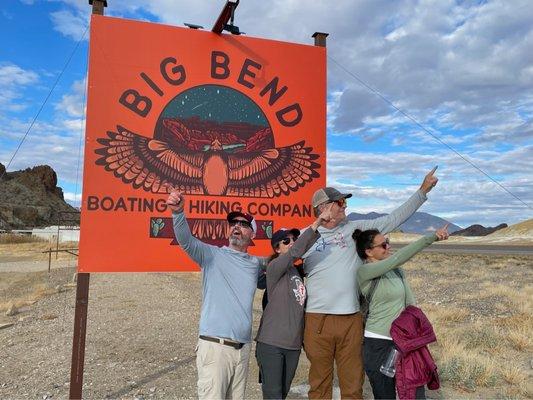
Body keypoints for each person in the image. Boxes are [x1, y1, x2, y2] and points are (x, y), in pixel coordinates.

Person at [301, 167, 439, 400]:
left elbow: (393, 219)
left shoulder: (356, 229)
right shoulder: (305, 237)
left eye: (345, 202)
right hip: (317, 320)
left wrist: (422, 192)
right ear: (324, 207)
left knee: (353, 385)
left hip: (351, 319)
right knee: (319, 385)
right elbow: (281, 261)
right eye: (340, 202)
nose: (345, 206)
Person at [166, 190, 265, 400]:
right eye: (233, 223)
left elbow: (284, 255)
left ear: (252, 234)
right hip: (215, 347)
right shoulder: (212, 255)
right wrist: (178, 213)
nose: (236, 226)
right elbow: (186, 241)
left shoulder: (256, 264)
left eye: (244, 224)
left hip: (243, 348)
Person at [354, 224, 449, 399]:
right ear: (368, 252)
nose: (388, 247)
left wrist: (418, 334)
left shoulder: (397, 271)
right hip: (378, 343)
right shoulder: (364, 272)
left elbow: (410, 305)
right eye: (383, 245)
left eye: (387, 242)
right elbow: (396, 259)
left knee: (415, 391)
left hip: (404, 342)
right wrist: (431, 238)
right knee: (385, 394)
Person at [255, 206, 333, 399]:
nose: (291, 243)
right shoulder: (274, 268)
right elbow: (294, 253)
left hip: (292, 345)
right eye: (286, 241)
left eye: (293, 240)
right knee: (273, 395)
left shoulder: (296, 271)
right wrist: (316, 223)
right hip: (271, 342)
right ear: (276, 248)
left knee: (282, 393)